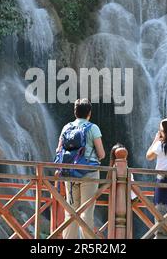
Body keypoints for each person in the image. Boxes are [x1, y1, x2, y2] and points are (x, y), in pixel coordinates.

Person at [56, 98, 105, 239]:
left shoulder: (66, 127)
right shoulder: (93, 128)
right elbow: (101, 154)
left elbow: (59, 150)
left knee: (70, 212)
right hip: (89, 174)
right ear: (89, 113)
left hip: (70, 174)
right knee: (86, 213)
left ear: (75, 112)